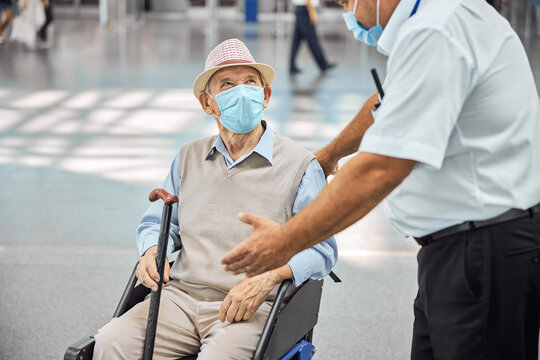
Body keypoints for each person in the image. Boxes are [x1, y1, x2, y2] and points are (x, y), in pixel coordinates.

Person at [222, 1, 540, 359]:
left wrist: (285, 240)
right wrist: (327, 156)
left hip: (481, 253)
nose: (349, 14)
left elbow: (381, 168)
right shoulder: (436, 19)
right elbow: (384, 104)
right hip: (455, 249)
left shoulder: (437, 30)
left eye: (346, 3)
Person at [93, 38, 337, 360]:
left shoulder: (300, 165)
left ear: (265, 96)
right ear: (207, 104)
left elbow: (322, 250)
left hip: (248, 306)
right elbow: (158, 221)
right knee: (110, 343)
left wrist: (270, 277)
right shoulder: (187, 158)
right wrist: (152, 250)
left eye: (250, 82)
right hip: (179, 298)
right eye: (227, 84)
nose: (242, 91)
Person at [289, 0, 335, 74]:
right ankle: (323, 64)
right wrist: (311, 11)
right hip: (305, 9)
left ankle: (292, 66)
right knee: (312, 39)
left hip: (300, 9)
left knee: (296, 40)